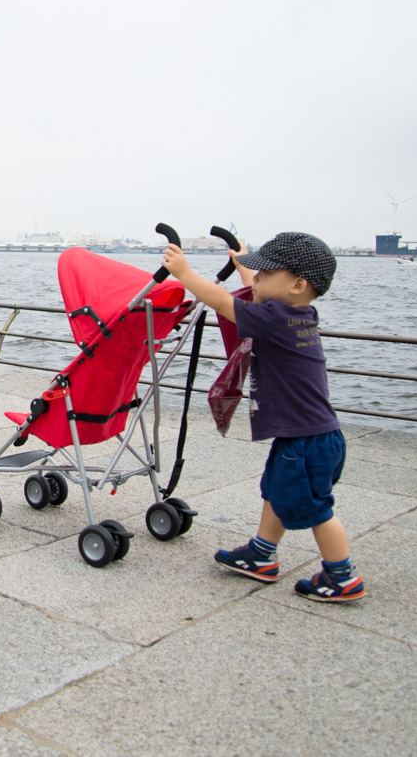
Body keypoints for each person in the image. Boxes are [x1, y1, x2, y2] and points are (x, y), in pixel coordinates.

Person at [161, 232, 364, 602]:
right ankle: (261, 555)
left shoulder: (274, 319)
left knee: (317, 510)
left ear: (297, 284)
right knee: (274, 492)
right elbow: (260, 298)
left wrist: (185, 274)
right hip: (310, 437)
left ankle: (342, 576)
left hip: (307, 442)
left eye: (265, 275)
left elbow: (225, 304)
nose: (255, 281)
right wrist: (247, 270)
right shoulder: (299, 313)